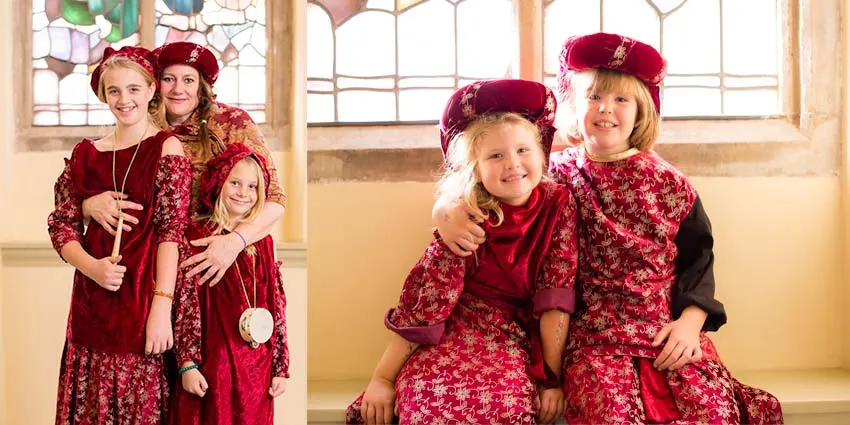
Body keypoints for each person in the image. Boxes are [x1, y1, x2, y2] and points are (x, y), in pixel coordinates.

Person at [434, 32, 784, 424]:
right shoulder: (553, 176)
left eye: (621, 99)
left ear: (642, 112)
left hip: (664, 330)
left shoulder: (671, 184)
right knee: (610, 415)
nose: (606, 109)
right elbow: (488, 190)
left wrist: (689, 326)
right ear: (573, 106)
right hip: (593, 338)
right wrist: (445, 210)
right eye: (594, 97)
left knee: (711, 412)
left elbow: (698, 261)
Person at [345, 79, 578, 425]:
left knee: (507, 405)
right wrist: (382, 378)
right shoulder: (467, 215)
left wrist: (552, 379)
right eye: (496, 155)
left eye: (523, 150)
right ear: (475, 168)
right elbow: (427, 303)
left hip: (513, 338)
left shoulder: (559, 204)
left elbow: (555, 298)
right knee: (426, 400)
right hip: (454, 333)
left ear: (543, 153)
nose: (512, 163)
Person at [47, 45, 191, 424]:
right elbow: (60, 224)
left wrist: (162, 307)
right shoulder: (84, 154)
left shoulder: (166, 148)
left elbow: (170, 233)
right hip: (90, 308)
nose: (124, 100)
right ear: (103, 95)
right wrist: (91, 267)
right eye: (114, 91)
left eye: (133, 89)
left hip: (140, 305)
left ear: (150, 90)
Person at [79, 41, 286, 287]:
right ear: (154, 84)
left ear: (202, 86)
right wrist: (87, 206)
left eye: (188, 80)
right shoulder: (140, 126)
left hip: (227, 262)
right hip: (159, 268)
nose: (178, 89)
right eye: (169, 79)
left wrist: (234, 242)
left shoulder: (233, 123)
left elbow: (275, 200)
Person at [169, 143, 289, 425]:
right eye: (235, 182)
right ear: (219, 183)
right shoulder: (197, 237)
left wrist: (281, 366)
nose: (243, 193)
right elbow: (187, 305)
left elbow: (277, 306)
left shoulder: (264, 243)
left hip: (257, 367)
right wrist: (188, 362)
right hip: (213, 365)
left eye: (252, 187)